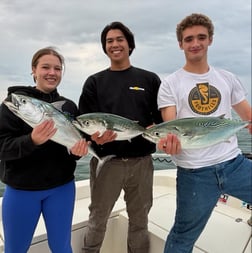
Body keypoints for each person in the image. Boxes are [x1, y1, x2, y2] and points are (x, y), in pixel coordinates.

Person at [157, 13, 252, 253]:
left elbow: (248, 116)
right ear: (181, 44)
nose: (195, 43)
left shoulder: (227, 78)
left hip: (235, 165)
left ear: (210, 40)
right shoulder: (170, 84)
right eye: (189, 39)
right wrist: (170, 143)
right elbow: (171, 126)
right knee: (182, 238)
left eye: (201, 37)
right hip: (194, 174)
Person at [78, 21, 162, 253]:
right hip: (108, 163)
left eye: (119, 39)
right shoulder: (94, 82)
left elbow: (161, 119)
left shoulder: (150, 80)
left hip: (142, 163)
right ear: (105, 47)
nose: (114, 44)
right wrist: (96, 139)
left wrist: (159, 127)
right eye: (109, 41)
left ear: (130, 44)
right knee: (98, 218)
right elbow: (84, 124)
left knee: (140, 219)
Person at [0, 47, 90, 253]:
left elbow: (72, 149)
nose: (52, 72)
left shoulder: (68, 107)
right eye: (45, 67)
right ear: (34, 70)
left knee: (61, 247)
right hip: (22, 190)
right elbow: (1, 147)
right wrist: (31, 140)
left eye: (57, 68)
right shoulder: (13, 104)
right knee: (15, 249)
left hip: (62, 188)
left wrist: (77, 151)